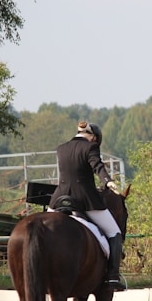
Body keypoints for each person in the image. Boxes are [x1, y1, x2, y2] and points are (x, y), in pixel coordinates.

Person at [49, 120, 126, 291]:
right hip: (84, 199)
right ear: (93, 138)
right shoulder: (90, 147)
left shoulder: (61, 148)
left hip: (59, 198)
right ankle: (112, 278)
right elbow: (97, 166)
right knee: (114, 233)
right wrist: (108, 182)